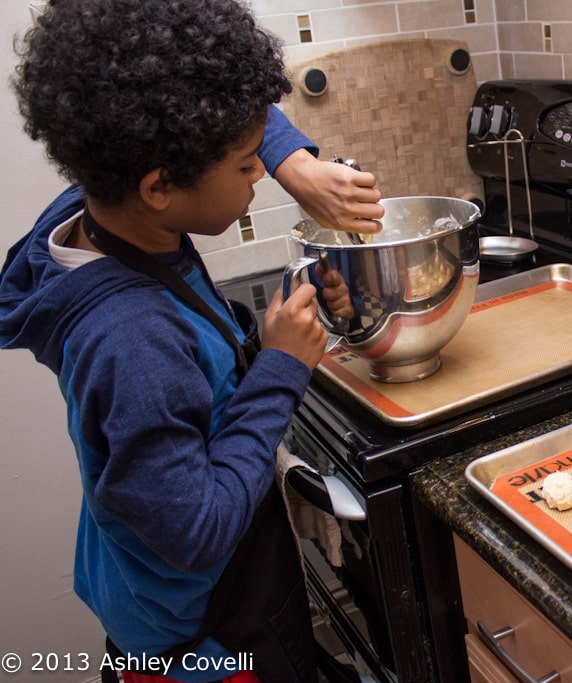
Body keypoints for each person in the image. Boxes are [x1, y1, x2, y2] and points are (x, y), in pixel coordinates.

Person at [1, 1, 381, 681]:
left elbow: (186, 350)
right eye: (243, 167)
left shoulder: (98, 216)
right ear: (159, 185)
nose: (259, 174)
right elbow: (197, 532)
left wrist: (275, 313)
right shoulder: (131, 342)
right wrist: (279, 368)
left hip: (148, 592)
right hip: (201, 642)